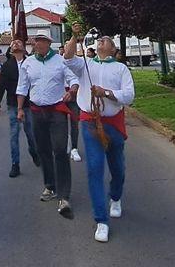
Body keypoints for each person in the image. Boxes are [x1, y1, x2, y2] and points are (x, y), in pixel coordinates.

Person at [65, 23, 135, 244]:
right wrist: (75, 35)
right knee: (94, 169)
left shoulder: (121, 69)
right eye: (100, 39)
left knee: (118, 169)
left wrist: (106, 93)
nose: (101, 40)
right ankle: (101, 220)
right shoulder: (85, 64)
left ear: (114, 49)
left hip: (113, 123)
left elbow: (129, 96)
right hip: (90, 122)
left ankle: (115, 197)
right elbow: (67, 56)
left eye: (106, 39)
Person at [17, 31, 79, 220]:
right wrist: (20, 108)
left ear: (49, 43)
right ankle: (50, 185)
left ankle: (64, 195)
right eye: (37, 41)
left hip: (57, 111)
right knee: (42, 149)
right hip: (36, 112)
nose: (40, 43)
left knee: (60, 150)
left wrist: (72, 92)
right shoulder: (28, 63)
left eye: (43, 41)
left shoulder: (60, 61)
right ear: (34, 43)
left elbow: (73, 80)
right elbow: (22, 87)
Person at [0, 39, 39, 177]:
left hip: (29, 103)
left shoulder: (31, 63)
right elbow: (1, 84)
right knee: (14, 135)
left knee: (31, 133)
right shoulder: (7, 65)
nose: (15, 43)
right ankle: (15, 164)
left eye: (18, 42)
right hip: (13, 104)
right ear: (10, 49)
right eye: (13, 43)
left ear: (24, 48)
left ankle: (34, 151)